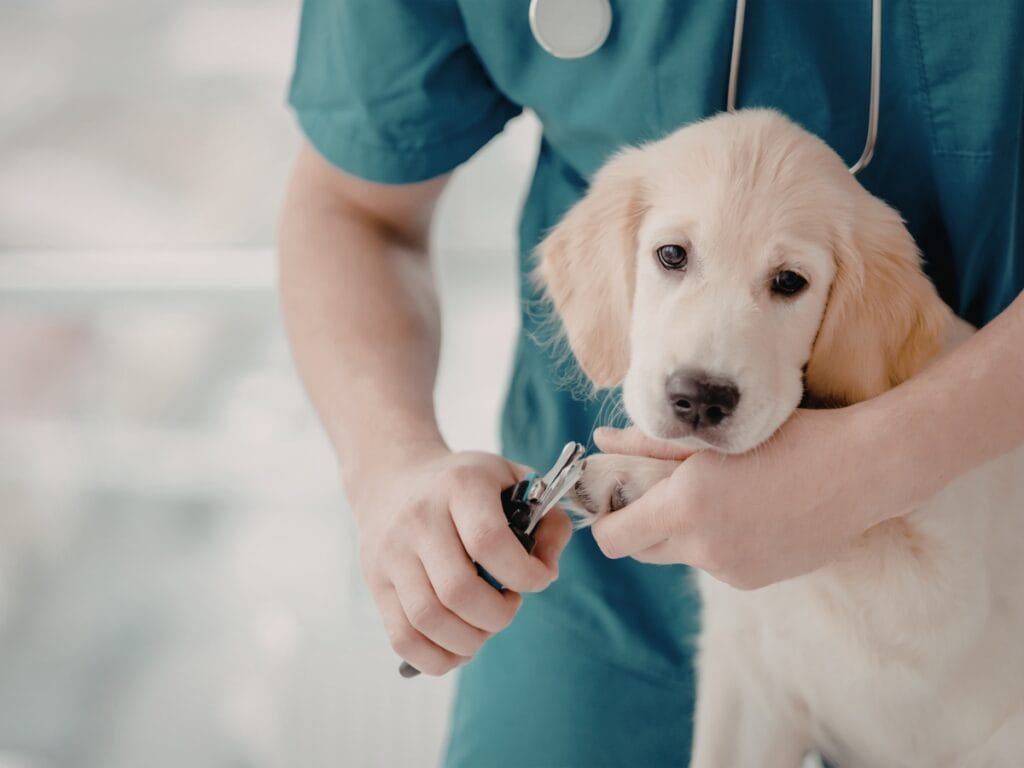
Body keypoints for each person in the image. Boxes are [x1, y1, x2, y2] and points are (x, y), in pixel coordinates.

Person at [278, 2, 1024, 765]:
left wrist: (879, 460)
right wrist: (392, 469)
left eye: (789, 280)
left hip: (972, 494)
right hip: (582, 560)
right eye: (672, 257)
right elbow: (354, 207)